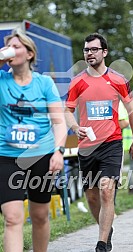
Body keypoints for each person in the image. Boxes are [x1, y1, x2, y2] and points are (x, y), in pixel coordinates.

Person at [65, 33, 133, 252]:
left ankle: (101, 244)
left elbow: (132, 111)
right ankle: (106, 229)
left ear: (104, 52)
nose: (89, 53)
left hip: (112, 143)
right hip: (87, 146)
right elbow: (68, 111)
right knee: (91, 196)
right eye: (86, 50)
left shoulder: (118, 80)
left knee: (106, 191)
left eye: (94, 49)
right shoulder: (78, 81)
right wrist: (75, 127)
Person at [0, 30, 67, 252]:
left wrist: (58, 151)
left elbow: (58, 123)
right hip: (7, 157)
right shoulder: (2, 80)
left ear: (29, 53)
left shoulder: (44, 83)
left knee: (39, 216)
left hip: (42, 155)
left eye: (16, 46)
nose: (11, 50)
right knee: (12, 218)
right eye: (8, 46)